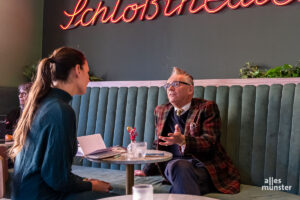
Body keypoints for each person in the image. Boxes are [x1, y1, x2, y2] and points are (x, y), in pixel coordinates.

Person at [9, 47, 112, 200]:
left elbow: (53, 173)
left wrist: (84, 181)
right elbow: (56, 178)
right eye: (87, 72)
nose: (89, 79)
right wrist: (91, 185)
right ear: (77, 70)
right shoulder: (61, 111)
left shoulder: (43, 104)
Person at [135, 67, 240, 195]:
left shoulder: (206, 108)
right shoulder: (161, 110)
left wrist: (184, 141)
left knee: (181, 179)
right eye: (167, 85)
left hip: (202, 168)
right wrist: (146, 170)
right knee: (178, 166)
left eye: (175, 84)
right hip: (174, 167)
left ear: (190, 89)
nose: (170, 88)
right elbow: (159, 143)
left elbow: (210, 142)